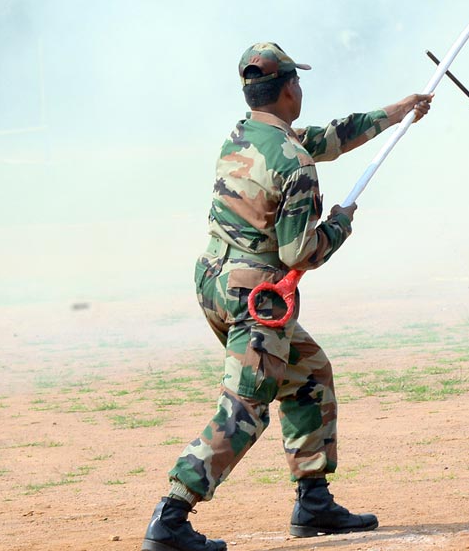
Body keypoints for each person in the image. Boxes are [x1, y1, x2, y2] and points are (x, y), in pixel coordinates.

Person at [141, 42, 432, 551]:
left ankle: (314, 501)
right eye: (299, 82)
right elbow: (301, 251)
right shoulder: (296, 164)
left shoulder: (244, 134)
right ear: (290, 88)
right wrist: (339, 225)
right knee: (246, 406)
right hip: (258, 298)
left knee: (308, 374)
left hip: (215, 280)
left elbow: (327, 138)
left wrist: (397, 112)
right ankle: (171, 516)